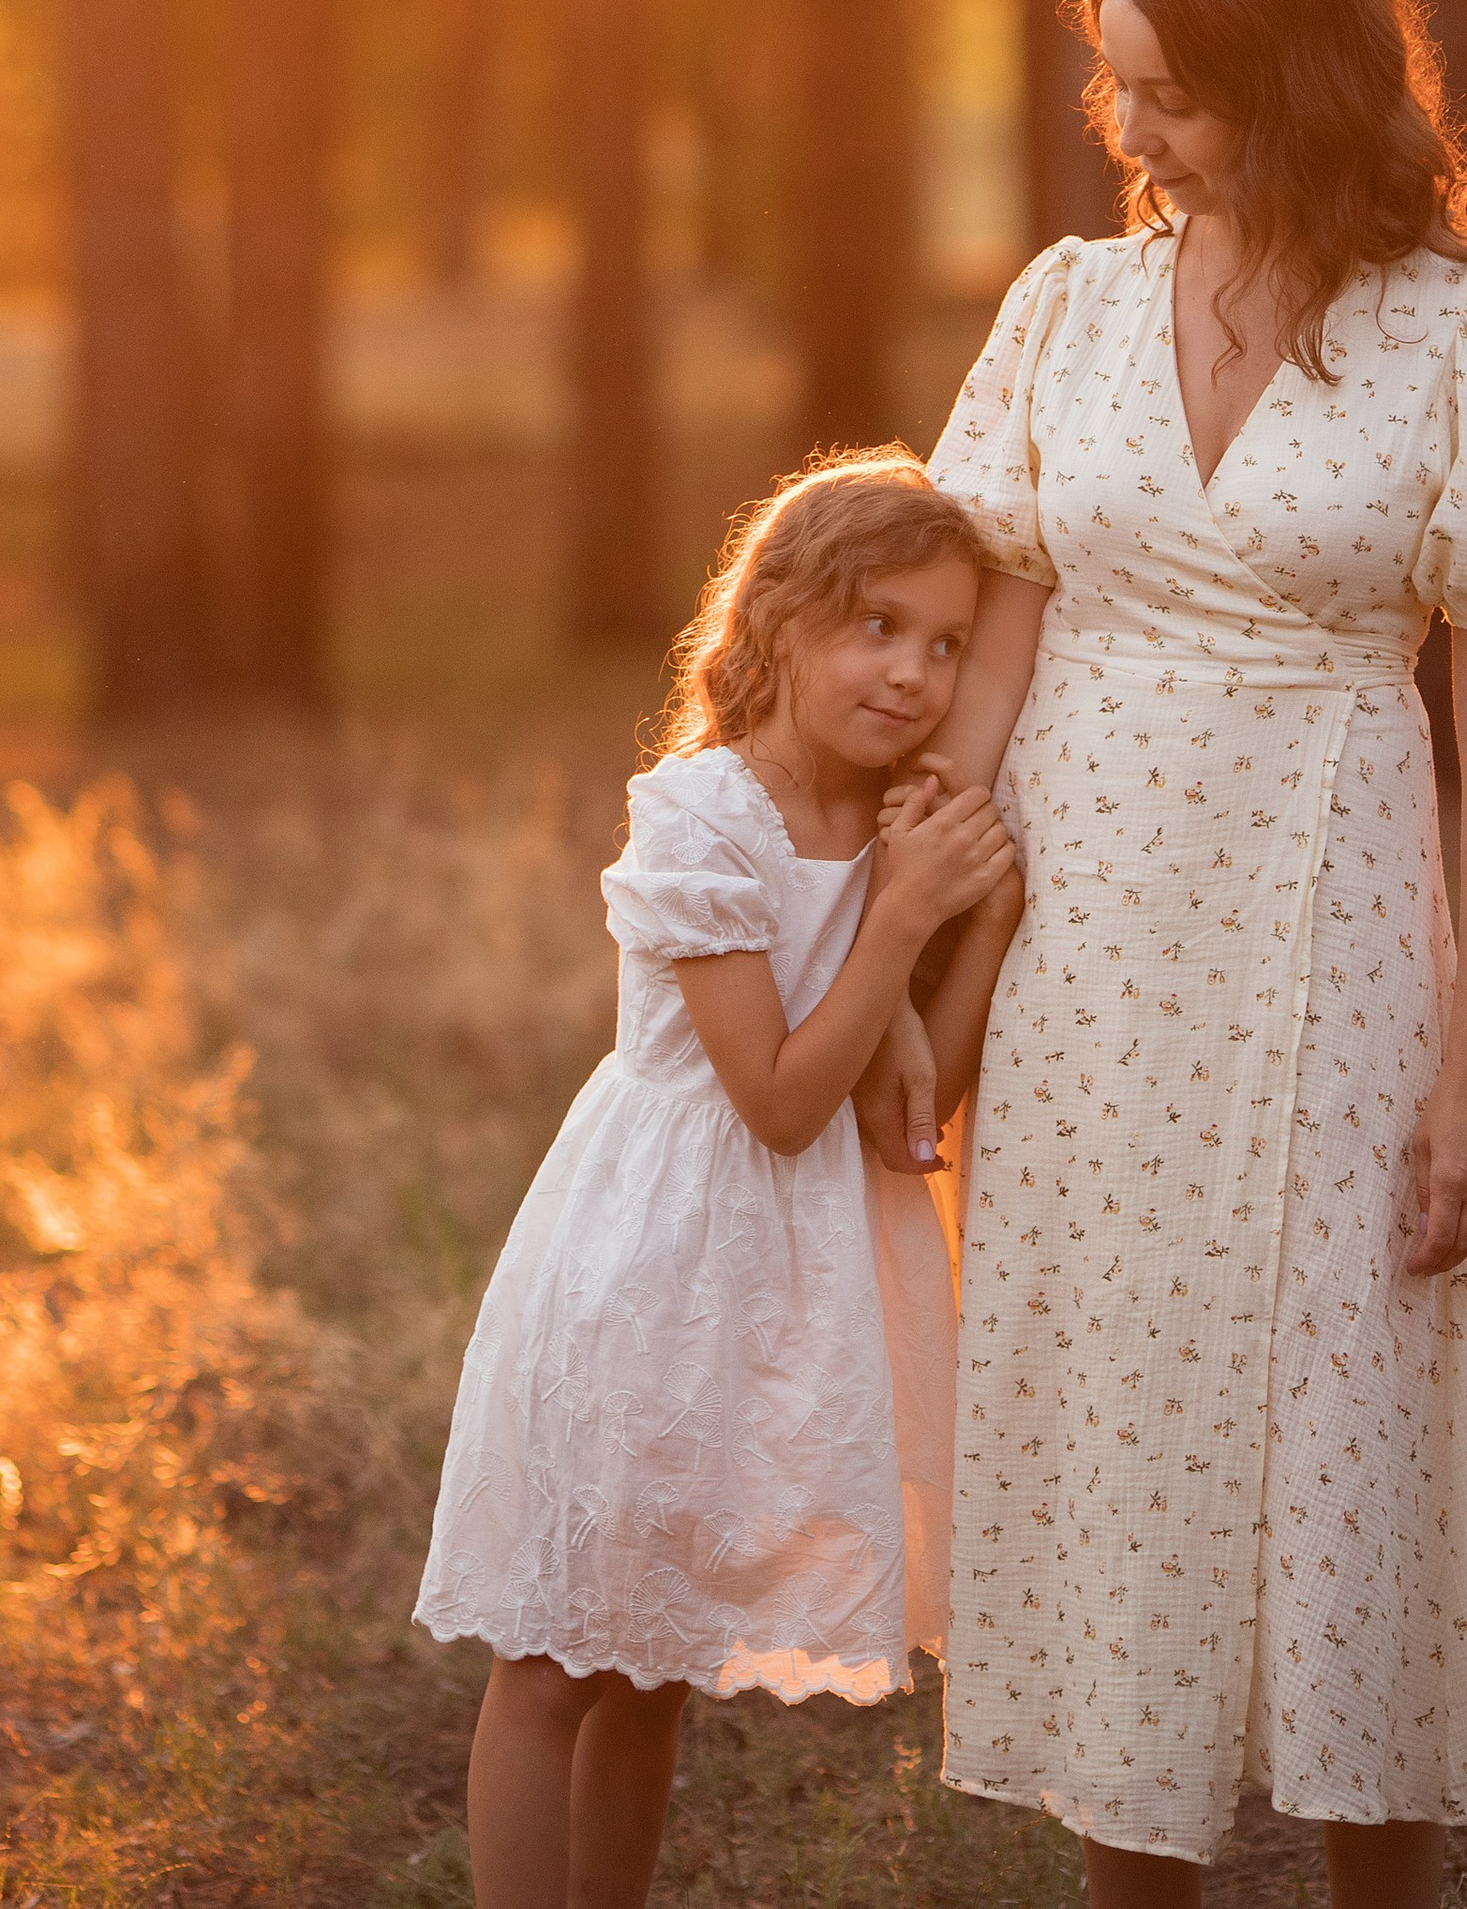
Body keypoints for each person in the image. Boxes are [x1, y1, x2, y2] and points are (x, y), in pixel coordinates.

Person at [859, 0, 1467, 1909]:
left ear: (1291, 83)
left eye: (1169, 93)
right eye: (1115, 90)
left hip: (1326, 912)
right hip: (1079, 928)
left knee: (1346, 1417)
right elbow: (994, 643)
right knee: (1104, 1398)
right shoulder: (1064, 306)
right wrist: (918, 954)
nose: (1132, 135)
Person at [416, 450, 1028, 1909]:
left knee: (658, 1666)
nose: (915, 674)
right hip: (656, 1259)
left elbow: (904, 1123)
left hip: (785, 1282)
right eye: (877, 626)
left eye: (947, 645)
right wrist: (901, 913)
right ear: (785, 622)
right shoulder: (704, 814)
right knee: (563, 1654)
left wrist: (983, 927)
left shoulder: (889, 824)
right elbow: (771, 1099)